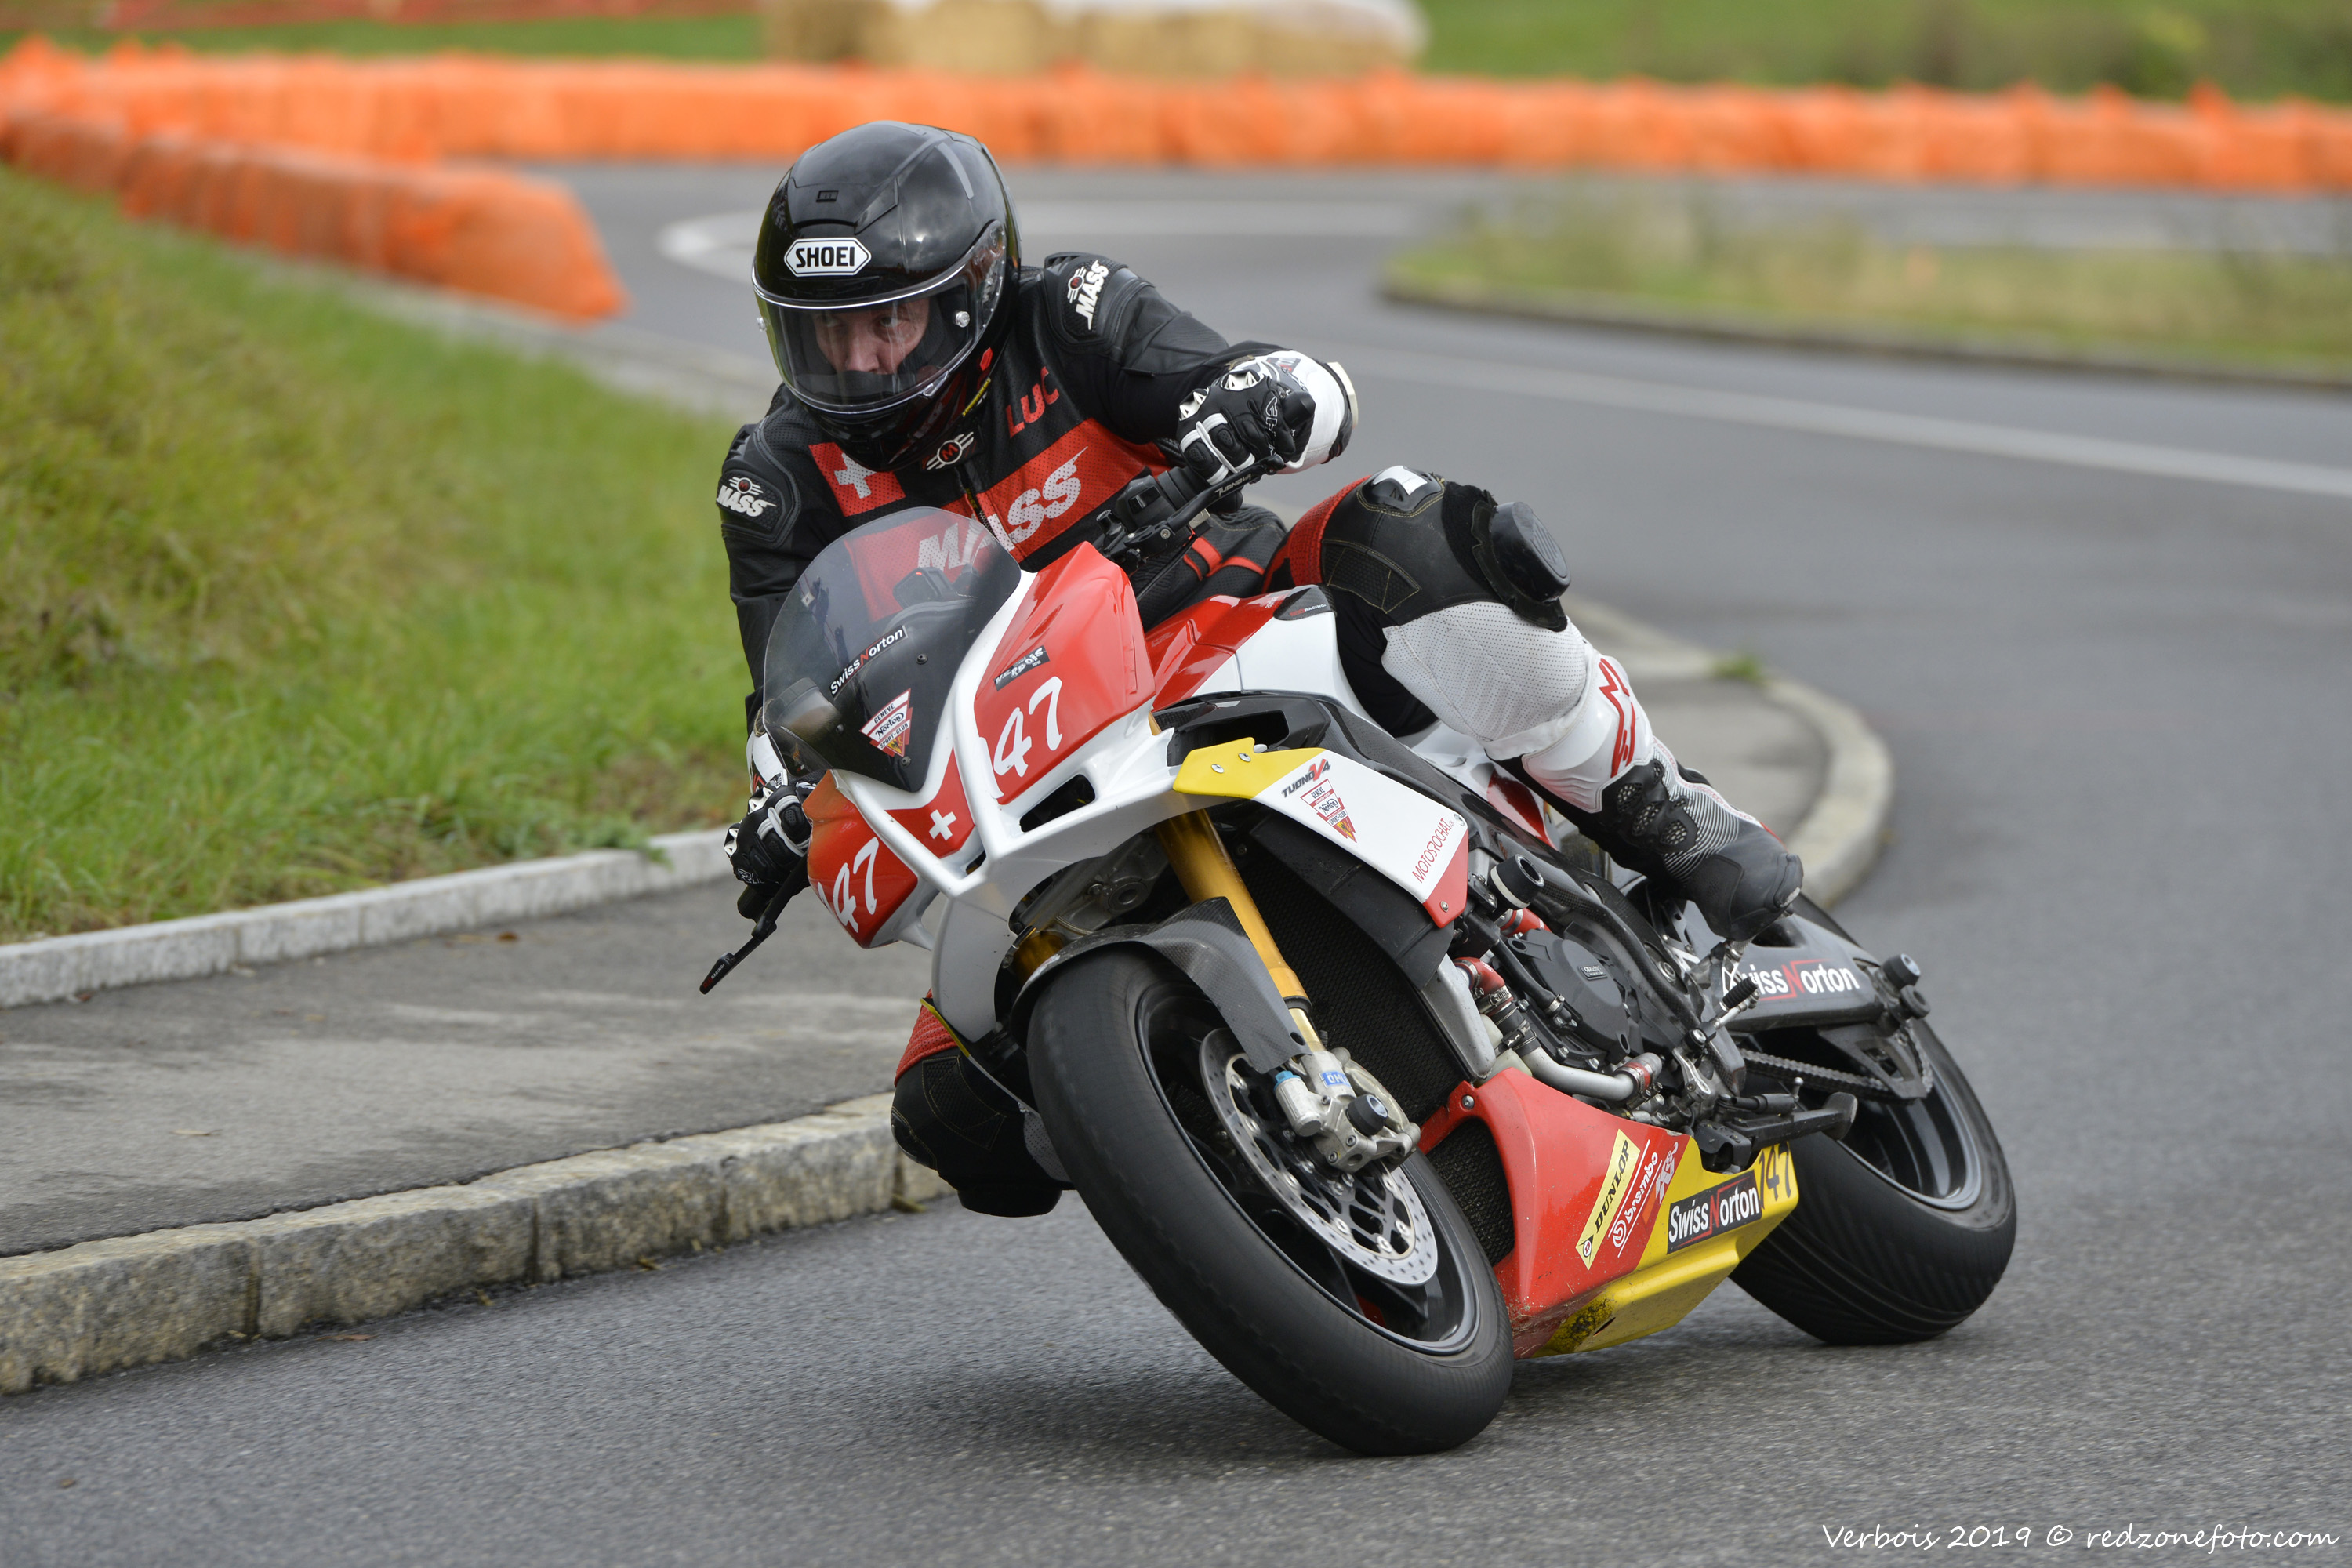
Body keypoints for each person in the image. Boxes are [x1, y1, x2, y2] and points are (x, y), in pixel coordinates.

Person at [713, 121, 1802, 1217]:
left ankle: (1657, 804)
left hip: (1236, 626)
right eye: (825, 335)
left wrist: (1255, 400)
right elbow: (792, 705)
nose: (859, 364)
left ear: (971, 295)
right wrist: (780, 801)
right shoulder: (777, 479)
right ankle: (1230, 1164)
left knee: (1412, 533)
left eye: (887, 324)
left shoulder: (1069, 314)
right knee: (948, 1109)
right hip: (1030, 765)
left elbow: (1269, 379)